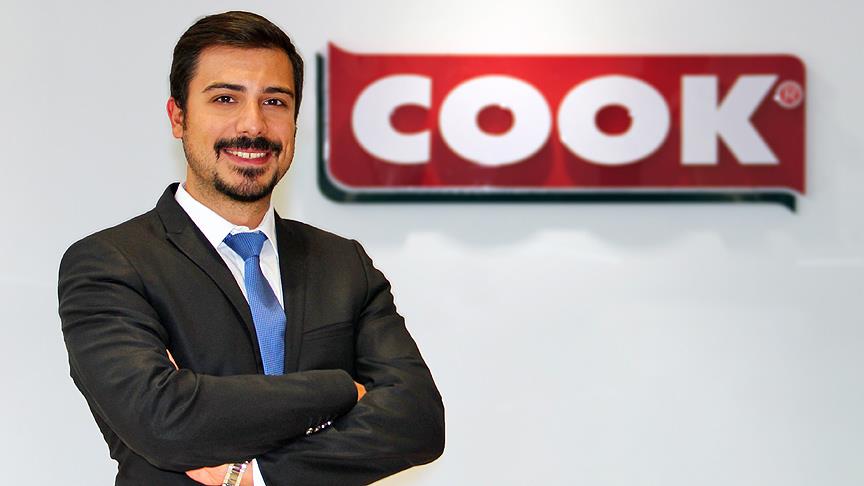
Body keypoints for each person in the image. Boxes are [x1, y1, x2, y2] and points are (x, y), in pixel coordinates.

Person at [58, 10, 444, 486]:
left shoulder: (344, 265)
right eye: (225, 98)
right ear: (178, 117)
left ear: (295, 121)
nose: (253, 125)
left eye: (275, 102)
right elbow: (166, 422)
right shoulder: (111, 264)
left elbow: (419, 421)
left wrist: (254, 475)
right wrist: (344, 389)